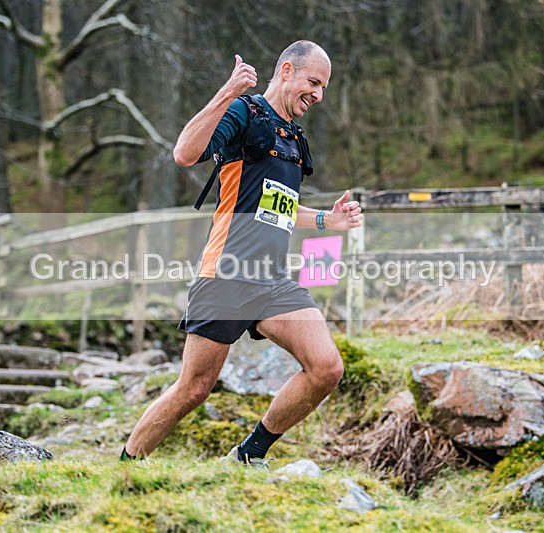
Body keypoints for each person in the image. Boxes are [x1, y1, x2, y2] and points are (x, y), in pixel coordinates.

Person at [121, 40, 363, 465]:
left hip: (273, 282)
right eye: (313, 82)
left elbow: (278, 207)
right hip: (227, 274)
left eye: (324, 87)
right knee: (194, 389)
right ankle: (126, 465)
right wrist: (228, 92)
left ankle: (248, 455)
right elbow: (184, 154)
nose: (319, 95)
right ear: (286, 70)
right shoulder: (244, 113)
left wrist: (328, 220)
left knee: (327, 368)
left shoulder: (294, 139)